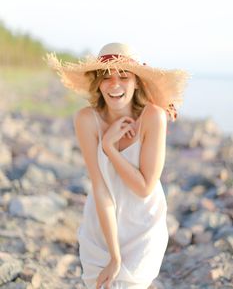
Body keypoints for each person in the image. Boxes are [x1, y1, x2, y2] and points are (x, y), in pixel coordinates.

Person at [44, 43, 190, 289]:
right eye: (106, 77)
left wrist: (110, 149)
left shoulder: (153, 117)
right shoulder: (86, 120)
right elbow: (101, 188)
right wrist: (114, 256)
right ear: (98, 83)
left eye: (124, 76)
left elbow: (144, 187)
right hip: (101, 226)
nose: (115, 84)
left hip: (143, 226)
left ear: (137, 82)